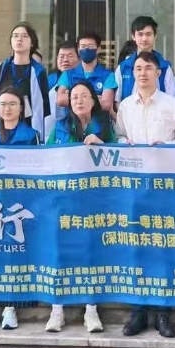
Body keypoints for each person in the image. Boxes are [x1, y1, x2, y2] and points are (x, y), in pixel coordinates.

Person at [115, 51, 175, 338]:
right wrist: (126, 143)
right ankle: (137, 311)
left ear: (158, 73)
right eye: (138, 68)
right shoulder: (125, 106)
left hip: (164, 186)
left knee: (162, 247)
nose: (142, 73)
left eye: (148, 68)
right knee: (135, 245)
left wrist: (167, 146)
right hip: (134, 186)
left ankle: (162, 312)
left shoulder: (172, 104)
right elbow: (119, 136)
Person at [45, 81, 112, 333]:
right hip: (64, 199)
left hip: (94, 201)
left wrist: (102, 146)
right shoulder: (60, 127)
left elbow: (117, 159)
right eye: (74, 97)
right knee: (59, 252)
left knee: (90, 253)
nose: (79, 100)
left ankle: (91, 309)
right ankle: (57, 309)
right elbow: (46, 158)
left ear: (94, 100)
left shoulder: (105, 126)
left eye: (84, 96)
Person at [0, 87, 41, 331]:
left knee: (14, 254)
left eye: (12, 104)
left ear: (21, 108)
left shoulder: (31, 135)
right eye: (3, 104)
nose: (7, 108)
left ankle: (11, 307)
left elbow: (38, 168)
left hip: (19, 203)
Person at [0, 22, 50, 143]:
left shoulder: (38, 72)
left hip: (25, 135)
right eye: (15, 36)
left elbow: (43, 108)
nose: (19, 39)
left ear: (32, 43)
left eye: (24, 36)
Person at [115, 16, 175, 101]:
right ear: (133, 36)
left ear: (155, 36)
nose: (144, 38)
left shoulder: (164, 68)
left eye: (148, 34)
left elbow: (172, 100)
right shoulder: (123, 68)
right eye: (140, 34)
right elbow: (117, 101)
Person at [55, 32, 118, 113]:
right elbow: (60, 100)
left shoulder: (108, 75)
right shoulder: (67, 74)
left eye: (90, 46)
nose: (86, 49)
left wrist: (72, 96)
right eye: (83, 46)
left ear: (98, 49)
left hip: (98, 121)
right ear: (78, 50)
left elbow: (106, 104)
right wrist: (96, 97)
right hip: (72, 121)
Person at [44, 42, 80, 137]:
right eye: (61, 56)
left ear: (80, 59)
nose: (65, 60)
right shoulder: (50, 79)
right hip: (50, 134)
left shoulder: (82, 79)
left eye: (70, 56)